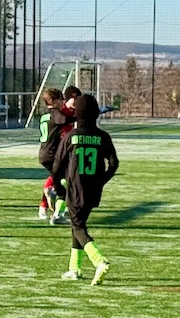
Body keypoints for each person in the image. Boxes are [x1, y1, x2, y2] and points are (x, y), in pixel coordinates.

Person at [51, 93, 119, 285]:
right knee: (78, 224)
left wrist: (59, 189)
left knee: (78, 226)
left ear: (76, 113)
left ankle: (99, 261)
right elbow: (113, 164)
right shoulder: (103, 137)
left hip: (75, 189)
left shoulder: (70, 137)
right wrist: (101, 181)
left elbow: (56, 167)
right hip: (93, 190)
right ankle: (75, 268)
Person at [35, 87, 75, 224]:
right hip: (53, 154)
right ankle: (58, 213)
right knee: (66, 183)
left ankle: (44, 207)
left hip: (44, 152)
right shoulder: (56, 114)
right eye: (61, 99)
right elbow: (65, 120)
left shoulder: (45, 115)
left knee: (57, 178)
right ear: (53, 101)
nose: (63, 101)